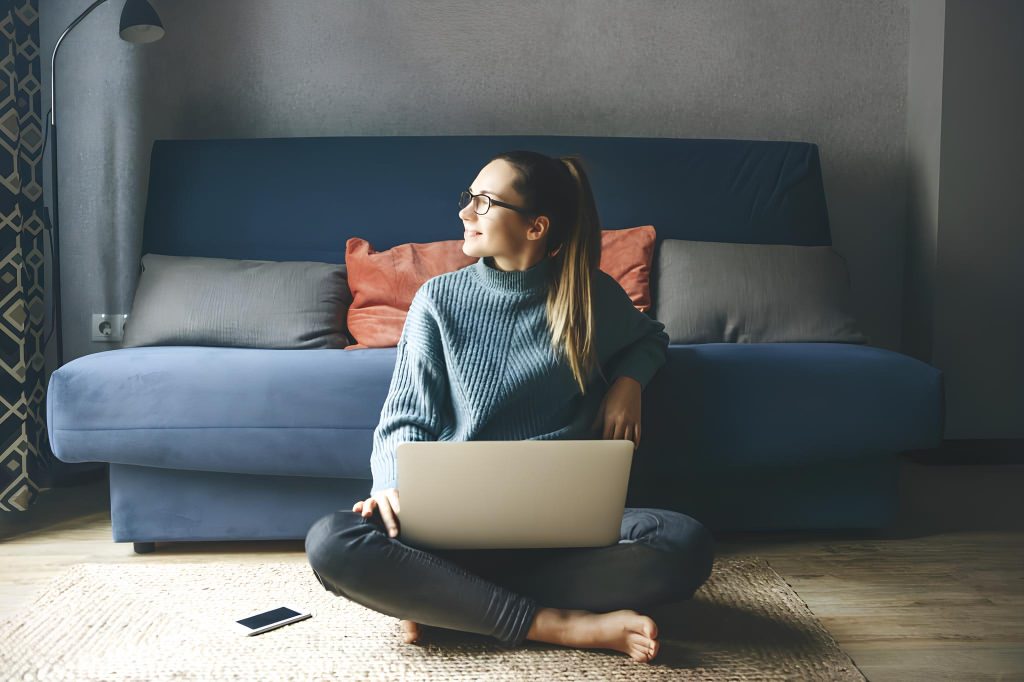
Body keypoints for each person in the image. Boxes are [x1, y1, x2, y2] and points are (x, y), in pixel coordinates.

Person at [305, 150, 715, 664]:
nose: (464, 213)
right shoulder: (439, 300)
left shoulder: (591, 298)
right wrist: (389, 486)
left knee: (683, 543)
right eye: (468, 198)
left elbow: (650, 337)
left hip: (560, 531)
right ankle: (558, 624)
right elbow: (407, 414)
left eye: (484, 201)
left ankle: (448, 601)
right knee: (331, 542)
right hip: (450, 528)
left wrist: (628, 382)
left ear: (536, 225)